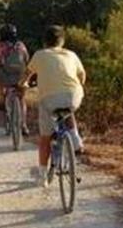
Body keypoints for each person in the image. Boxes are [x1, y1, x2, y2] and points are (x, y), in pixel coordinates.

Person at [19, 25, 86, 187]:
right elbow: (82, 75)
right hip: (74, 95)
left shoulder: (40, 55)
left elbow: (27, 74)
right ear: (62, 41)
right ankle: (75, 137)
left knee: (45, 137)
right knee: (68, 110)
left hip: (49, 99)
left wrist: (22, 84)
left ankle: (42, 175)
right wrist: (79, 86)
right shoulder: (71, 54)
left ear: (44, 42)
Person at [0, 24, 31, 135]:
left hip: (5, 76)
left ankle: (2, 99)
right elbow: (27, 59)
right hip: (20, 77)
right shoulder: (20, 45)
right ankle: (24, 125)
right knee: (22, 99)